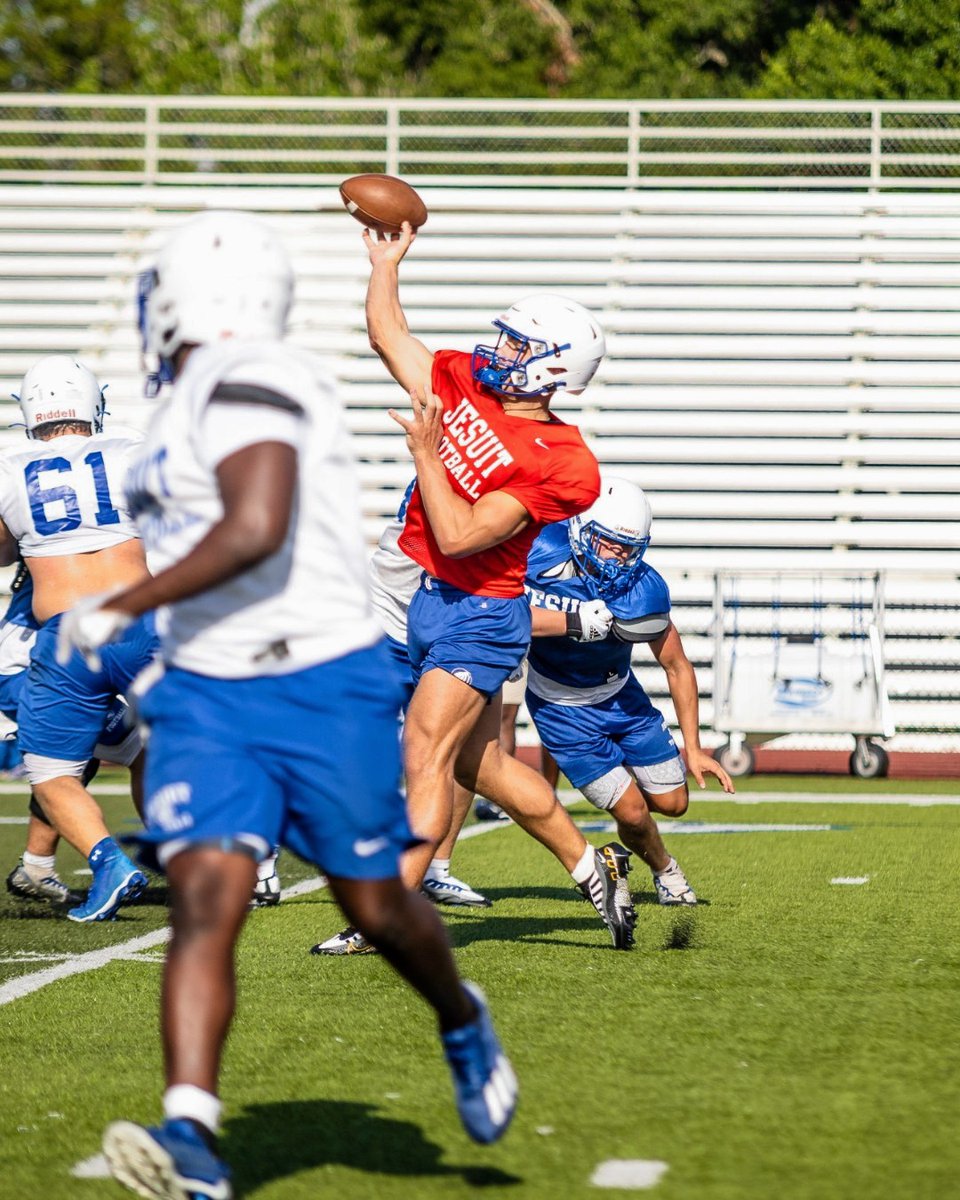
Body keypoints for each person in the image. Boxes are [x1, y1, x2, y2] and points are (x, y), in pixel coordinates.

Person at [58, 210, 517, 1199]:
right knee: (206, 901)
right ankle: (193, 1134)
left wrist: (121, 609)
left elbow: (257, 524)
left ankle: (459, 1016)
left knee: (377, 903)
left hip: (321, 682)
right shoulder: (183, 402)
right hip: (210, 696)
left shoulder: (258, 375)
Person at [350, 218, 636, 952]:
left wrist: (425, 454)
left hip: (483, 611)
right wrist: (386, 264)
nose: (499, 351)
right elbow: (391, 338)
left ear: (553, 369)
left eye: (519, 345)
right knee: (484, 767)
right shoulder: (466, 383)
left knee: (422, 751)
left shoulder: (562, 460)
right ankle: (591, 866)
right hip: (431, 598)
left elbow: (463, 535)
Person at [524, 476, 735, 903]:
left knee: (674, 803)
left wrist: (692, 747)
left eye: (630, 549)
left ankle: (641, 842)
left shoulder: (643, 589)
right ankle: (666, 871)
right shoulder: (539, 553)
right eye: (610, 544)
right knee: (633, 811)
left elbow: (676, 666)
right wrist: (572, 620)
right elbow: (498, 614)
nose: (620, 558)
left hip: (621, 696)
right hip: (561, 707)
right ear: (583, 530)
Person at [0, 355, 156, 922]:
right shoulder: (131, 447)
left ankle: (108, 862)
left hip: (67, 632)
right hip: (141, 620)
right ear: (95, 405)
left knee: (51, 770)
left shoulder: (7, 462)